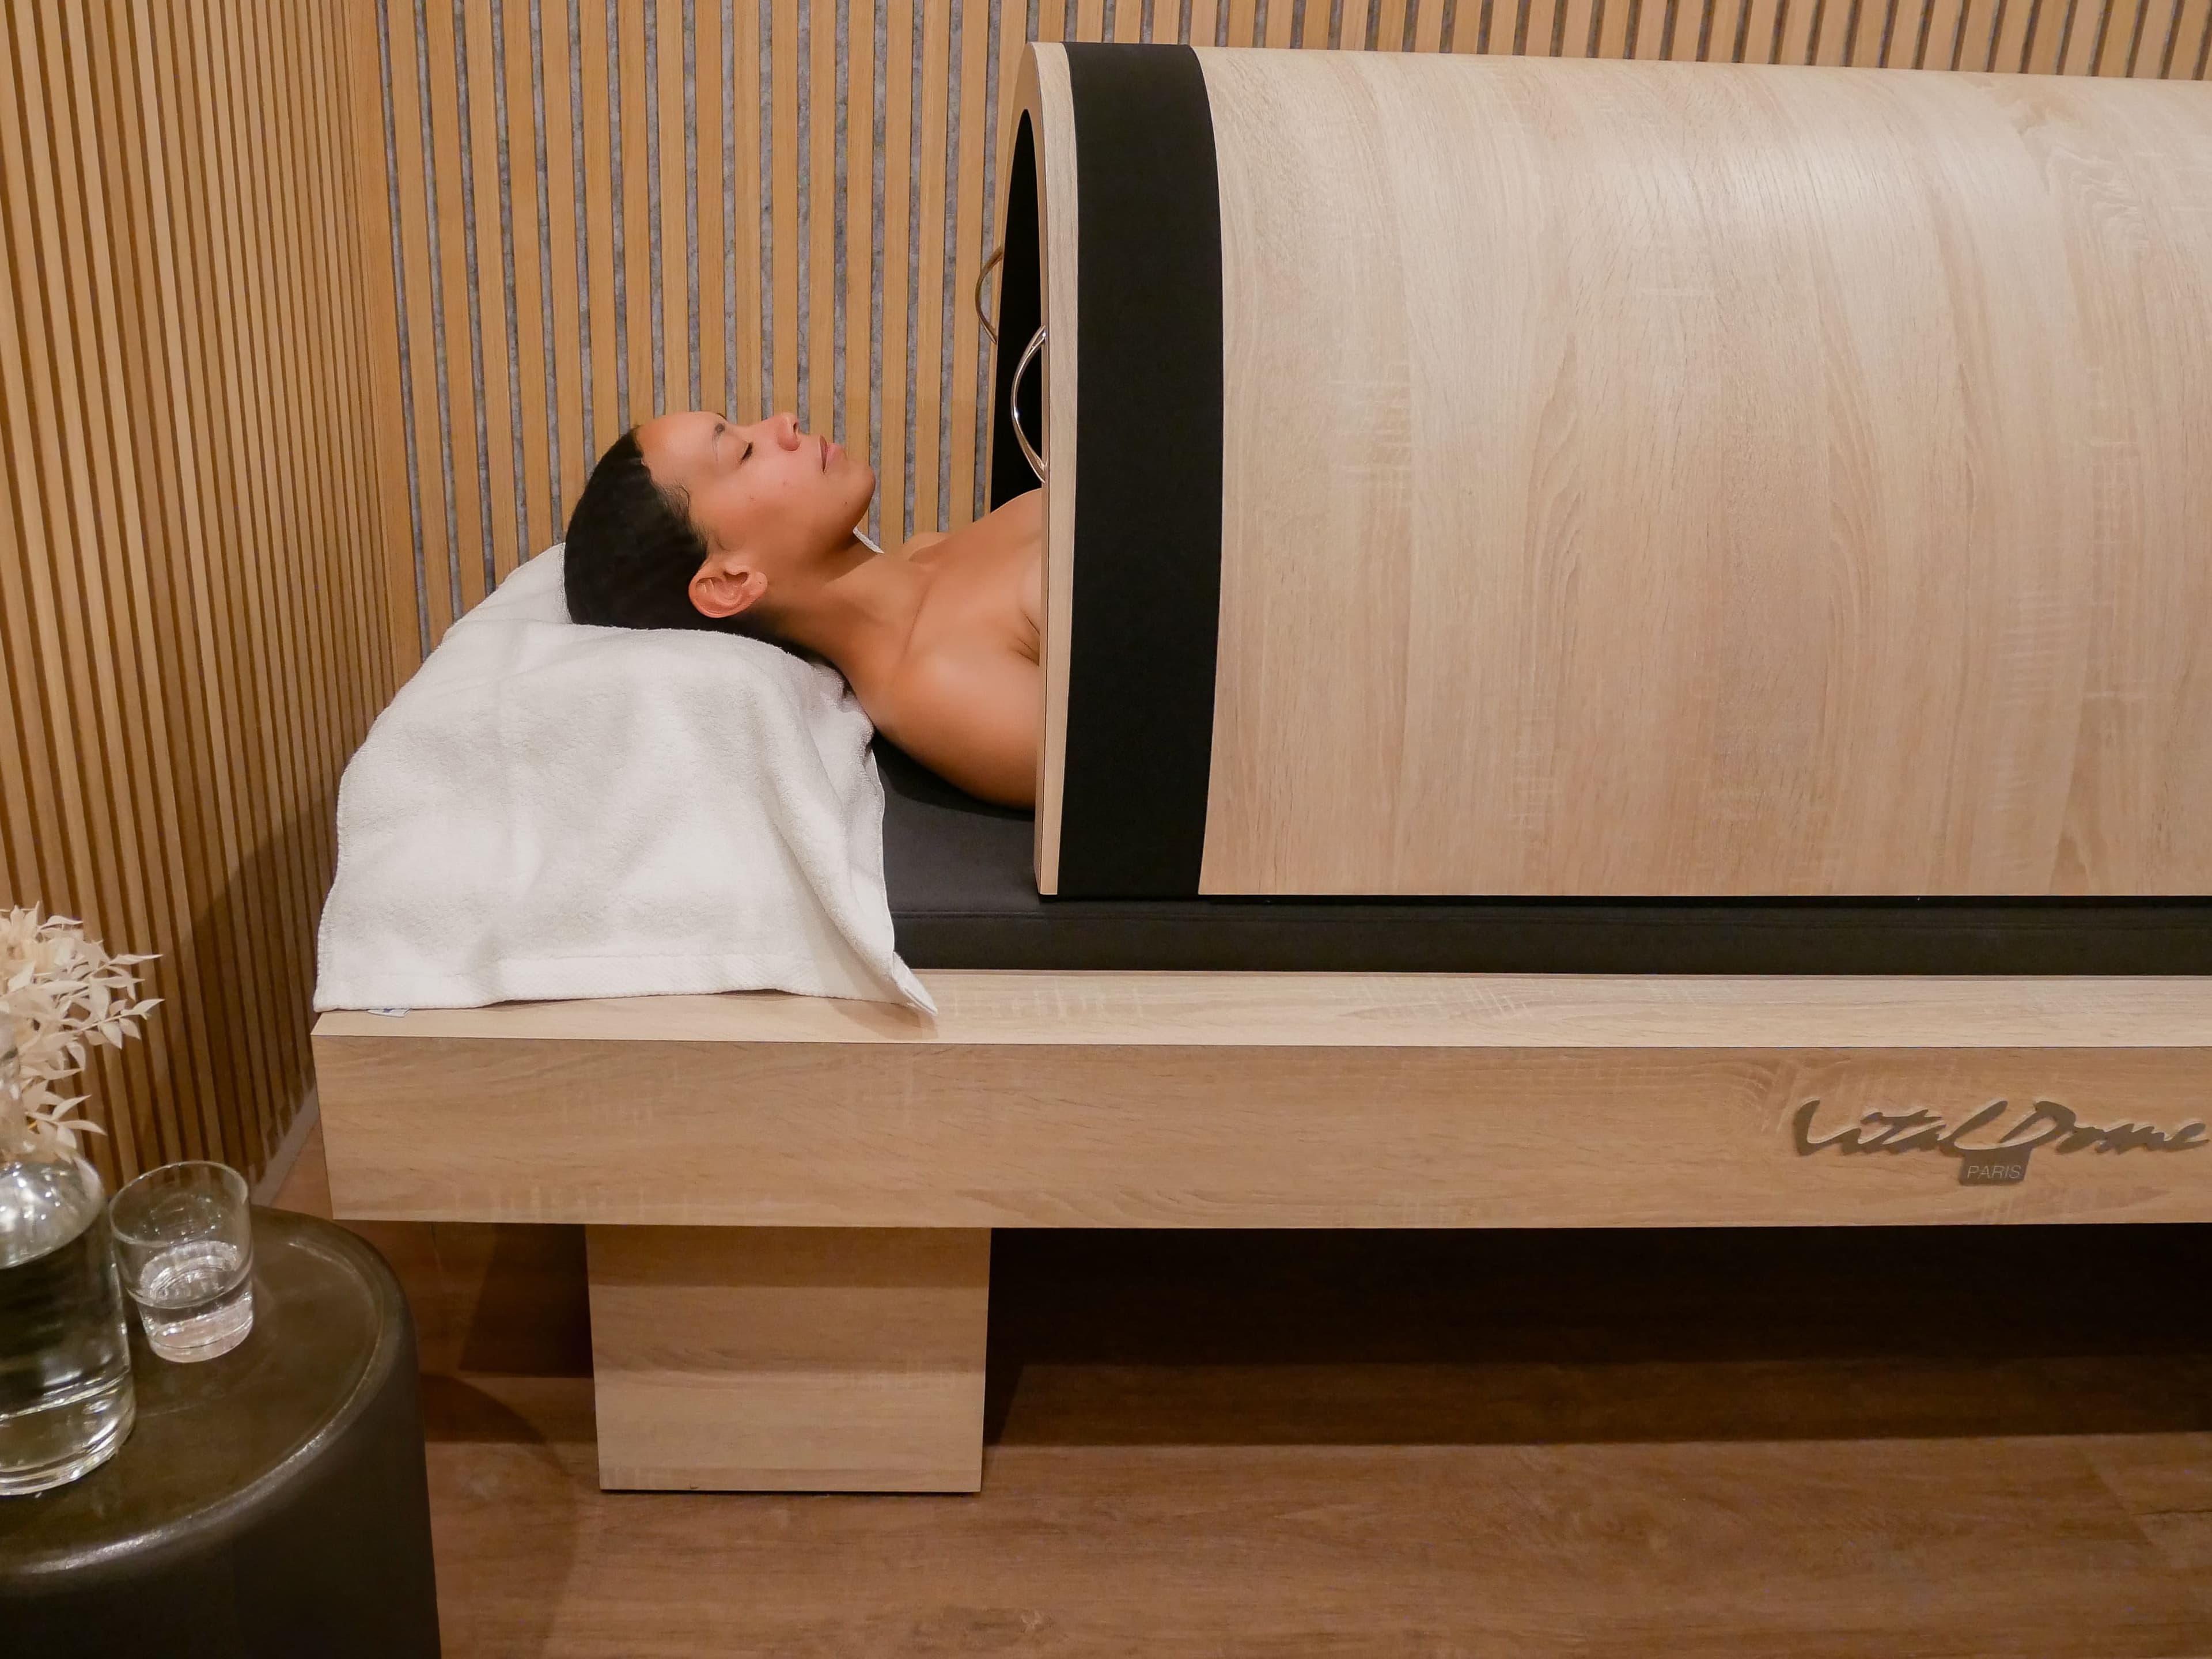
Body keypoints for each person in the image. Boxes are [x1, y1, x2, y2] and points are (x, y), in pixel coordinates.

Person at [562, 410, 1043, 808]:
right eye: (743, 452)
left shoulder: (926, 551)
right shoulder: (939, 685)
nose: (785, 422)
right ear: (729, 584)